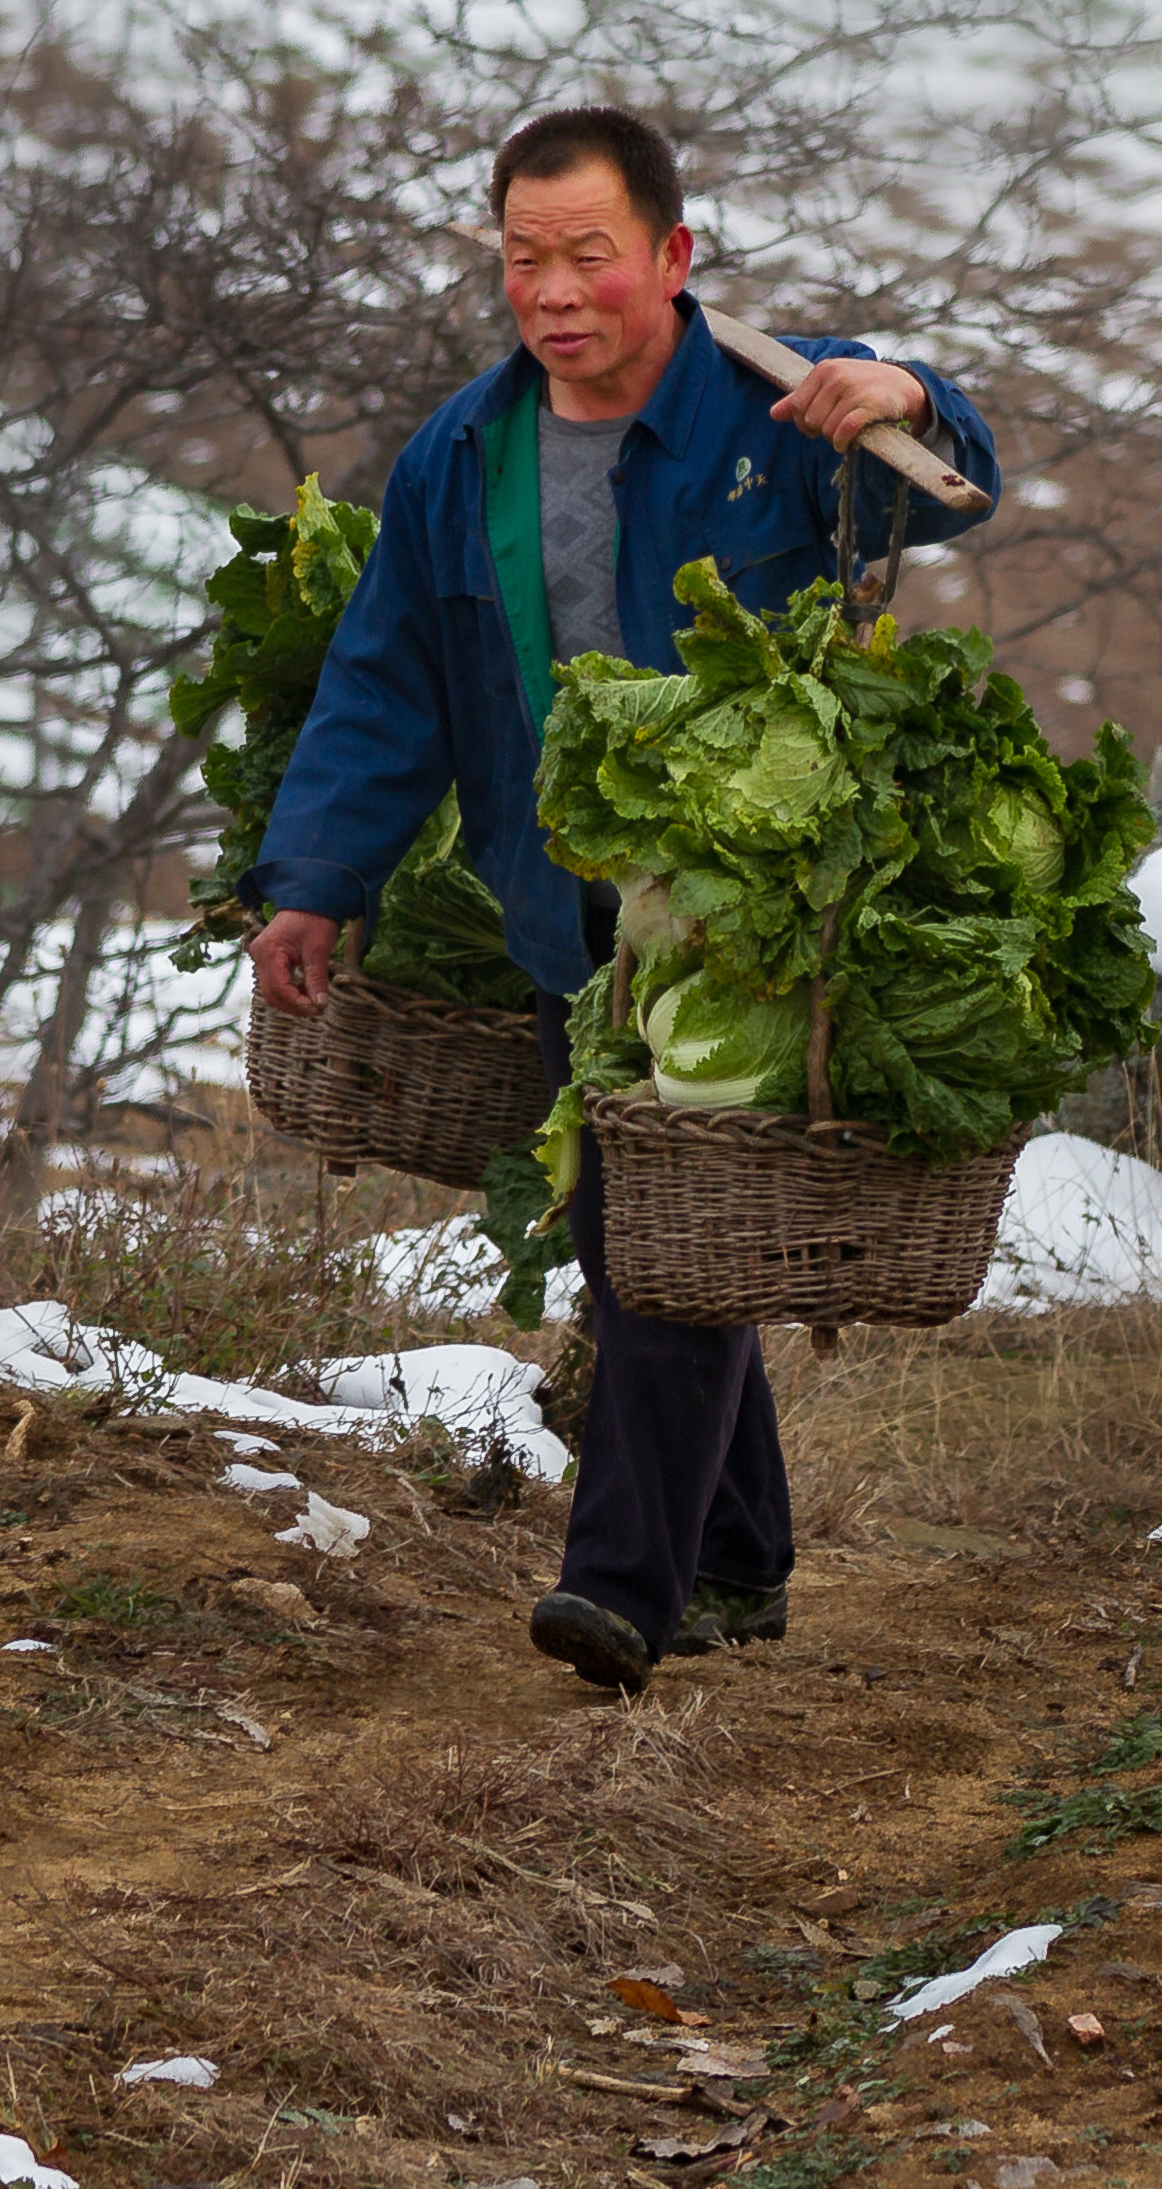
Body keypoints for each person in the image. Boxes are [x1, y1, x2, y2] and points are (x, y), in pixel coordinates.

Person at [239, 105, 1000, 1693]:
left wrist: (914, 391)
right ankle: (739, 1560)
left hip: (748, 918)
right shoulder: (465, 453)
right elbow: (387, 685)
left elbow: (945, 487)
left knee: (666, 1246)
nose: (556, 289)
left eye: (591, 253)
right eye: (525, 258)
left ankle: (618, 1586)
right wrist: (312, 882)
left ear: (671, 253)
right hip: (559, 914)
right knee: (637, 1236)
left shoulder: (778, 405)